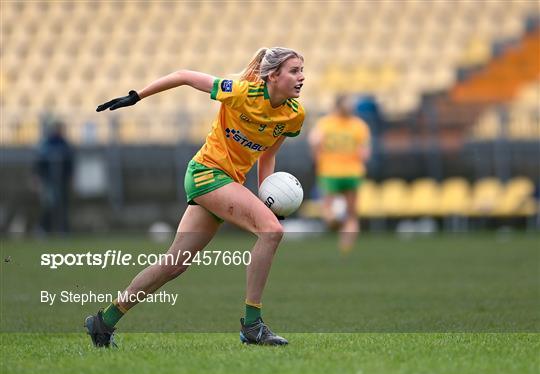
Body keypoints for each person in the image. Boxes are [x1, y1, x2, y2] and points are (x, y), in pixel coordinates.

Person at [85, 47, 305, 347]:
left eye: (302, 70)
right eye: (294, 70)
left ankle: (104, 321)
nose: (301, 77)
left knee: (174, 264)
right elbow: (184, 76)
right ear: (273, 74)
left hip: (227, 183)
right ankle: (252, 325)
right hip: (206, 174)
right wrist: (137, 95)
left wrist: (267, 199)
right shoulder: (241, 92)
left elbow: (267, 156)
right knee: (272, 231)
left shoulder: (293, 115)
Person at [308, 94, 371, 255]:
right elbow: (365, 154)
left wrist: (318, 159)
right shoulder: (359, 125)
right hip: (352, 172)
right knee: (352, 214)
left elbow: (314, 142)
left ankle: (335, 220)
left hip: (330, 172)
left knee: (327, 210)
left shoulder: (325, 124)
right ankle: (346, 248)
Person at [33, 120, 74, 234]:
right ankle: (43, 228)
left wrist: (70, 177)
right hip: (49, 180)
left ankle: (63, 229)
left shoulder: (64, 144)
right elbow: (39, 162)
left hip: (62, 180)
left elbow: (69, 162)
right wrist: (37, 177)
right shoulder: (47, 143)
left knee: (63, 205)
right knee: (50, 204)